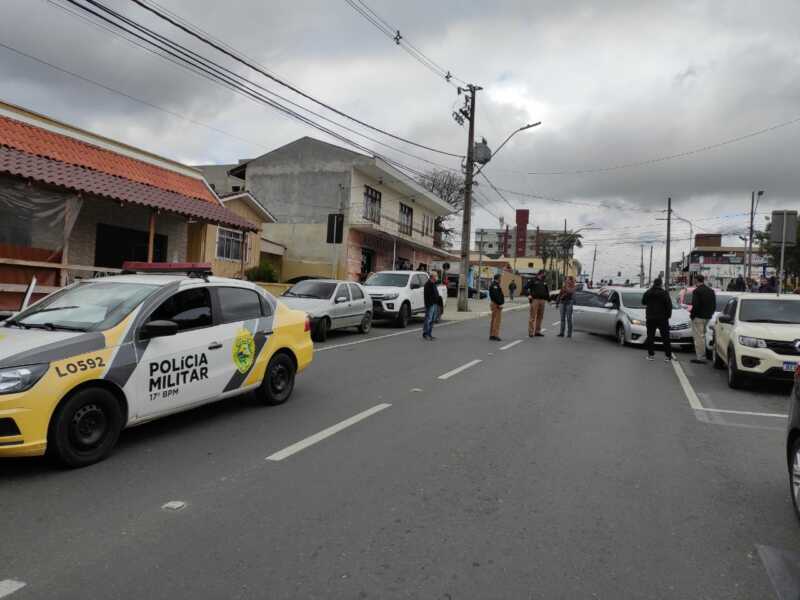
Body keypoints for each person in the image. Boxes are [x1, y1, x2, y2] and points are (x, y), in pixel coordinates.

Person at [642, 277, 674, 362]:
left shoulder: (648, 292)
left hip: (650, 318)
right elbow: (669, 306)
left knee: (650, 337)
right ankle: (668, 356)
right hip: (662, 318)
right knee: (665, 337)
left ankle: (651, 355)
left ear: (653, 283)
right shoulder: (664, 293)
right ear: (661, 284)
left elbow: (643, 302)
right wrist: (668, 316)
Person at [689, 274, 715, 364]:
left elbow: (695, 305)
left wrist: (692, 315)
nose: (693, 281)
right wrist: (710, 314)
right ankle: (703, 355)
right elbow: (713, 305)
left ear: (696, 280)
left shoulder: (697, 291)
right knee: (703, 335)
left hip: (698, 317)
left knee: (699, 337)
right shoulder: (711, 291)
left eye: (694, 279)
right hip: (707, 317)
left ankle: (700, 357)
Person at [525, 270, 549, 337]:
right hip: (535, 300)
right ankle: (531, 332)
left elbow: (546, 291)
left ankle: (537, 331)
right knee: (532, 316)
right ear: (540, 274)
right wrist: (528, 295)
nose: (545, 275)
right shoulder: (533, 280)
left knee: (540, 317)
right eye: (544, 274)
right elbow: (525, 288)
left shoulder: (544, 281)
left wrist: (548, 299)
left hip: (542, 300)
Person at [422, 271, 440, 341]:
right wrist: (429, 304)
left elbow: (435, 294)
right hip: (430, 305)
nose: (436, 277)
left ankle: (429, 334)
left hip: (434, 304)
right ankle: (425, 334)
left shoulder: (433, 284)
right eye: (436, 276)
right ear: (432, 276)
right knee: (428, 319)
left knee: (432, 320)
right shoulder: (428, 284)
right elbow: (427, 296)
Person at [488, 273, 504, 341]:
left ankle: (492, 335)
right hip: (496, 304)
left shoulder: (496, 285)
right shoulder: (495, 286)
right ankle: (495, 335)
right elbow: (496, 296)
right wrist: (500, 303)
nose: (501, 279)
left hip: (495, 303)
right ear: (498, 278)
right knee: (497, 320)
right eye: (500, 278)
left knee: (494, 320)